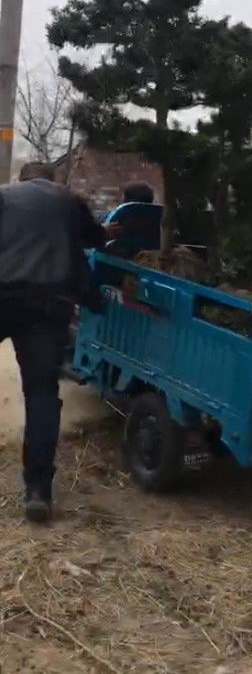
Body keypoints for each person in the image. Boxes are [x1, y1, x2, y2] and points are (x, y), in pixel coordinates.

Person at [0, 162, 106, 523]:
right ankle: (38, 491)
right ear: (52, 179)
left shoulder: (4, 196)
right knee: (42, 395)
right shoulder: (67, 199)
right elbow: (96, 240)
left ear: (22, 180)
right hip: (50, 305)